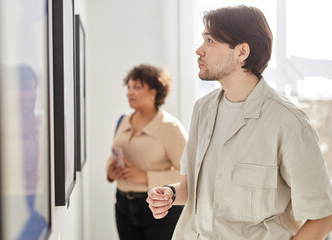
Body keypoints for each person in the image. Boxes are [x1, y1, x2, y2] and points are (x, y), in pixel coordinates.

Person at [146, 5, 332, 240]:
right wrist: (170, 193)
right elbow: (193, 188)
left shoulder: (289, 123)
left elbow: (324, 215)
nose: (199, 50)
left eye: (210, 41)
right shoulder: (202, 110)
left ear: (242, 52)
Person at [107, 64, 187, 240]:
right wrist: (111, 172)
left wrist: (145, 177)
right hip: (123, 206)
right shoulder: (123, 121)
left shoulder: (170, 127)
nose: (129, 92)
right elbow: (113, 155)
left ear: (153, 92)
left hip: (159, 209)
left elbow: (187, 175)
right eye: (128, 87)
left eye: (136, 87)